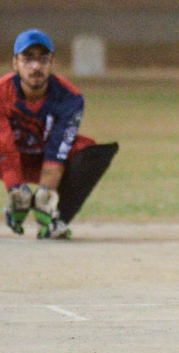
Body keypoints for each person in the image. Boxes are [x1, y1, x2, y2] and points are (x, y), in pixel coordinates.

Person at [1, 29, 119, 239]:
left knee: (92, 153)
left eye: (43, 59)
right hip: (9, 157)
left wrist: (45, 195)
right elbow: (5, 147)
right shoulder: (2, 93)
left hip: (45, 158)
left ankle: (55, 219)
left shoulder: (69, 97)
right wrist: (17, 190)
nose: (36, 66)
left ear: (52, 62)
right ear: (15, 63)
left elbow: (58, 150)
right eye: (27, 59)